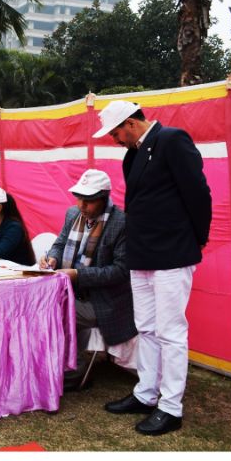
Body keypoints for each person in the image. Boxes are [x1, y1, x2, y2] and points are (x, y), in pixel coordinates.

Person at [93, 100, 212, 435]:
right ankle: (145, 393)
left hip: (173, 254)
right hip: (141, 255)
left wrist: (196, 239)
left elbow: (198, 194)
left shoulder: (172, 140)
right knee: (145, 327)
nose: (115, 140)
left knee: (170, 332)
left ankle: (170, 407)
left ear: (131, 123)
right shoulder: (132, 155)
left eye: (116, 133)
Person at [40, 168, 136, 391]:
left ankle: (73, 373)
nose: (82, 205)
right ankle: (49, 364)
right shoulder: (73, 213)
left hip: (104, 301)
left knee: (56, 311)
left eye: (88, 201)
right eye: (79, 198)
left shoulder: (121, 223)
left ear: (103, 198)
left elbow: (121, 271)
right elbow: (59, 244)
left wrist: (79, 275)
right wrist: (52, 259)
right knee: (38, 303)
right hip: (71, 289)